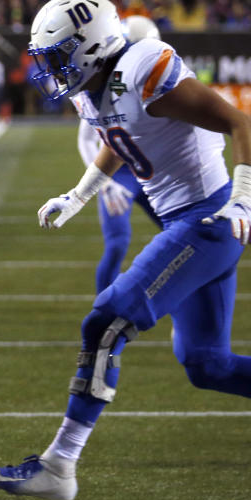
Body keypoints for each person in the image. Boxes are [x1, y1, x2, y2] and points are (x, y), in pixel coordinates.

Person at [0, 0, 251, 500]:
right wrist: (79, 194)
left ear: (89, 46)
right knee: (208, 365)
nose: (50, 68)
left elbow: (242, 124)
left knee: (104, 320)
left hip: (209, 219)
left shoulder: (144, 68)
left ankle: (59, 464)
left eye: (58, 54)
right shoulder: (92, 88)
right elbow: (118, 139)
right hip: (188, 222)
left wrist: (244, 200)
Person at [75, 15, 163, 293]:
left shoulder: (162, 80)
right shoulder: (103, 85)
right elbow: (86, 140)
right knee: (116, 245)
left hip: (153, 173)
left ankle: (187, 309)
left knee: (184, 235)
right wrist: (105, 183)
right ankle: (103, 311)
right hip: (121, 175)